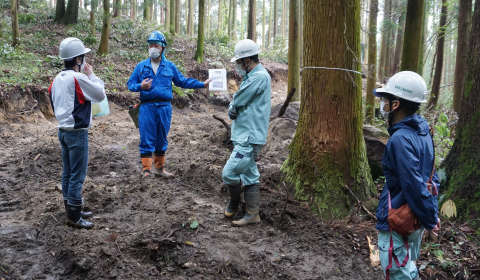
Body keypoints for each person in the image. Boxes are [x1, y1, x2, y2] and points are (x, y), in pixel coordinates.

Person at [374, 71, 441, 280]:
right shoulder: (424, 132)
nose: (383, 106)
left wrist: (430, 218)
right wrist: (431, 213)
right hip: (413, 220)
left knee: (399, 274)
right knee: (408, 268)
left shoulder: (400, 139)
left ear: (396, 105)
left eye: (386, 101)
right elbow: (432, 178)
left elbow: (413, 185)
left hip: (397, 220)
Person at [127, 31, 211, 178]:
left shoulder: (169, 66)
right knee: (146, 137)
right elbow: (130, 84)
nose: (153, 48)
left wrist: (202, 84)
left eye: (156, 45)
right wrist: (141, 86)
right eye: (151, 45)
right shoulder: (141, 66)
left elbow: (182, 81)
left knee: (161, 137)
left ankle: (160, 169)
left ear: (163, 48)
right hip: (146, 107)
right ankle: (146, 170)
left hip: (165, 107)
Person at [49, 37, 106, 229]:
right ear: (78, 60)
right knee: (77, 175)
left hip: (63, 131)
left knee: (68, 173)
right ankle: (74, 217)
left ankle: (71, 208)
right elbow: (99, 94)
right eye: (83, 58)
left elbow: (55, 102)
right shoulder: (79, 78)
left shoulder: (57, 79)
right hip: (77, 134)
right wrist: (92, 75)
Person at [222, 39, 272, 226]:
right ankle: (252, 214)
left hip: (249, 137)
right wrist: (233, 105)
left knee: (229, 173)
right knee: (250, 175)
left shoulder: (259, 77)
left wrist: (233, 104)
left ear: (247, 60)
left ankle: (234, 202)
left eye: (238, 62)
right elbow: (237, 102)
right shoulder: (252, 76)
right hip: (244, 134)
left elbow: (239, 99)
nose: (237, 66)